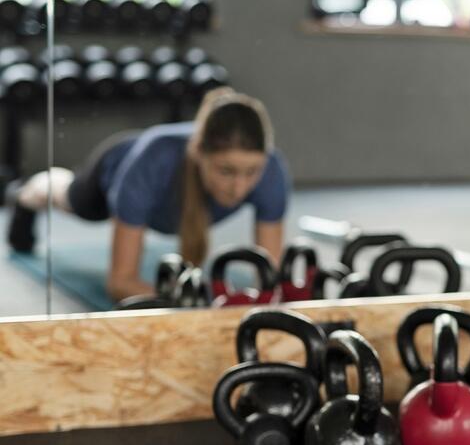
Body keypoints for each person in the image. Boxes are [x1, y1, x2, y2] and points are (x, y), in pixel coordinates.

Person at [6, 88, 290, 302]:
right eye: (226, 171)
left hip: (156, 180)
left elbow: (269, 279)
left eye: (251, 172)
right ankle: (27, 190)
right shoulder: (149, 167)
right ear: (198, 154)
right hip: (114, 171)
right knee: (69, 199)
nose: (239, 188)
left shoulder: (272, 171)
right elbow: (120, 283)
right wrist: (201, 303)